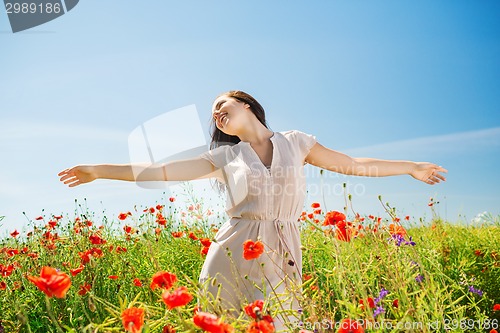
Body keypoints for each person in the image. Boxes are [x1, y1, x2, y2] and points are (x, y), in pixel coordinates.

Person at [58, 90, 447, 331]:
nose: (216, 113)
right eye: (213, 113)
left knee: (279, 323)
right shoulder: (225, 156)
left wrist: (410, 166)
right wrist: (99, 171)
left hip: (281, 249)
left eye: (221, 105)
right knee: (223, 325)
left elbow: (352, 165)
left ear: (245, 104)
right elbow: (161, 171)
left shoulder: (296, 142)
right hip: (231, 250)